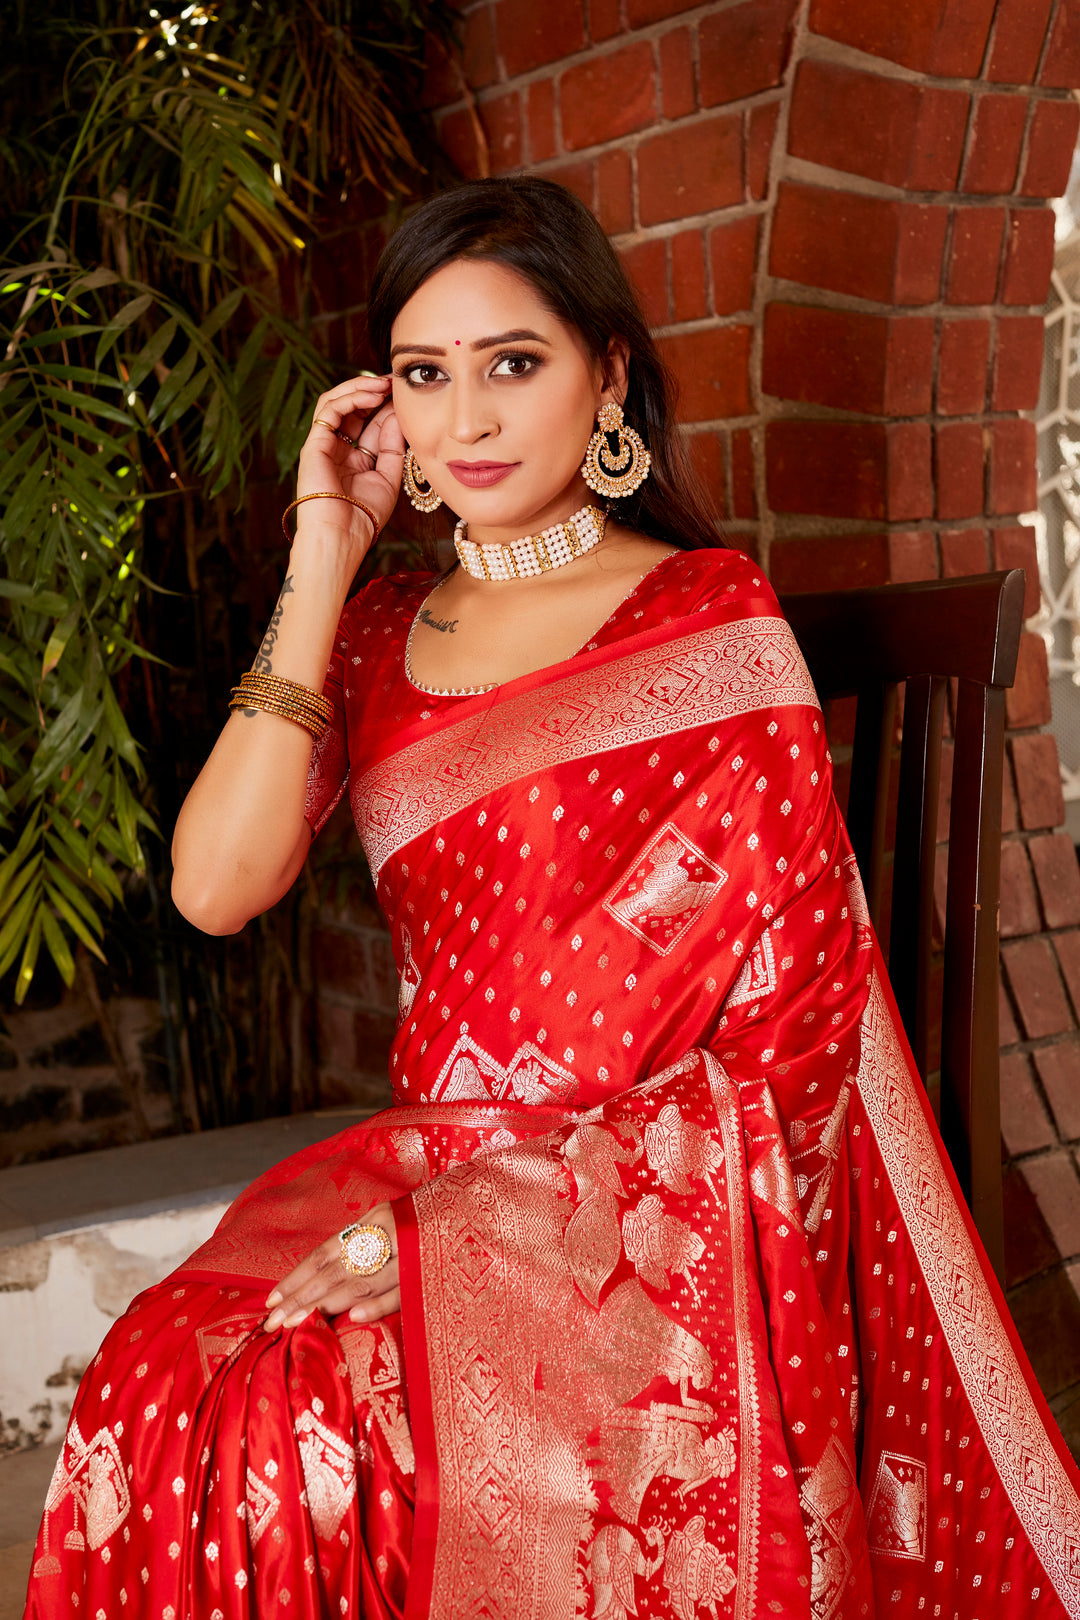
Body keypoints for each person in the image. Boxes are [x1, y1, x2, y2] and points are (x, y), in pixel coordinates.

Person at [21, 176, 1080, 1620]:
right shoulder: (377, 630)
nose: (466, 422)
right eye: (422, 375)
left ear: (609, 379)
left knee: (318, 1438)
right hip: (416, 1169)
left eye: (512, 364)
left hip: (633, 1214)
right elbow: (214, 888)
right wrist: (324, 555)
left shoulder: (708, 620)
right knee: (164, 1379)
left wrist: (471, 1241)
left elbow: (797, 1042)